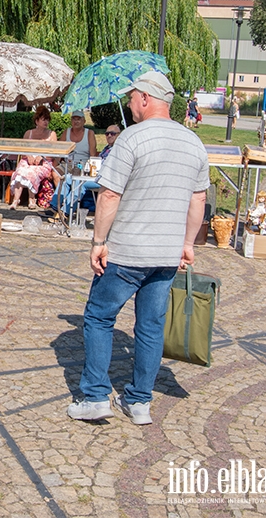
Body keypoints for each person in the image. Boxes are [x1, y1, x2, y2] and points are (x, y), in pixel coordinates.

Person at [67, 71, 208, 426]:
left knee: (99, 317)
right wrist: (187, 244)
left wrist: (98, 241)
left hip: (127, 251)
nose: (129, 105)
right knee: (149, 326)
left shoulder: (131, 139)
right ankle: (139, 401)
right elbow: (199, 199)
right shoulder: (193, 142)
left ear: (145, 98)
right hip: (165, 253)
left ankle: (96, 395)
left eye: (131, 98)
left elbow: (109, 194)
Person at [9, 105, 57, 210]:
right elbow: (22, 149)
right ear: (37, 121)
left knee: (32, 172)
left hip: (44, 162)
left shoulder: (52, 134)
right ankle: (15, 200)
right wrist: (28, 155)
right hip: (28, 160)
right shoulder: (28, 133)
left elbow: (54, 152)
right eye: (43, 119)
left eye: (47, 120)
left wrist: (42, 156)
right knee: (20, 171)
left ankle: (32, 199)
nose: (46, 122)